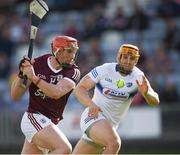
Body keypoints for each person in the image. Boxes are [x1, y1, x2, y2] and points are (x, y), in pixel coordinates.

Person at [72, 44, 160, 154]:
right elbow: (79, 88)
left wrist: (146, 93)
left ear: (136, 60)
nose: (128, 61)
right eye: (125, 57)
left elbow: (155, 101)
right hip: (93, 117)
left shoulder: (138, 76)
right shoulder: (104, 69)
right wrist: (91, 104)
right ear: (119, 57)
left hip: (110, 126)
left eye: (132, 58)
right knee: (114, 143)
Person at [10, 35, 81, 154]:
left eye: (74, 51)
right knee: (64, 148)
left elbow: (56, 93)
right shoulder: (37, 64)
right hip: (33, 118)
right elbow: (15, 96)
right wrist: (22, 74)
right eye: (69, 51)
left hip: (50, 122)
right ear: (57, 51)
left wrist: (33, 77)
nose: (72, 56)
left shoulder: (73, 72)